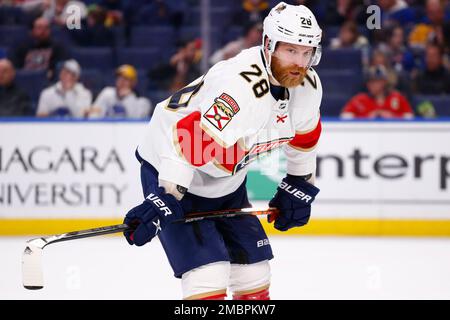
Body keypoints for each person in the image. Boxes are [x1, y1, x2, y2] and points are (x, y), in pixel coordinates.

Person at [123, 2, 322, 300]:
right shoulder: (240, 88)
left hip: (225, 176)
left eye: (307, 53)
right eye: (290, 51)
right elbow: (188, 142)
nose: (299, 63)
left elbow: (304, 139)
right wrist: (165, 198)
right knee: (207, 275)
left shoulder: (308, 86)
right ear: (268, 45)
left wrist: (298, 185)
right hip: (173, 164)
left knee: (253, 272)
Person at [340, 65, 414, 119]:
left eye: (375, 81)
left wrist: (393, 117)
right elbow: (345, 116)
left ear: (384, 82)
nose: (371, 85)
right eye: (369, 82)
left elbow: (410, 117)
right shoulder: (359, 99)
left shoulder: (397, 98)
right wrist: (366, 118)